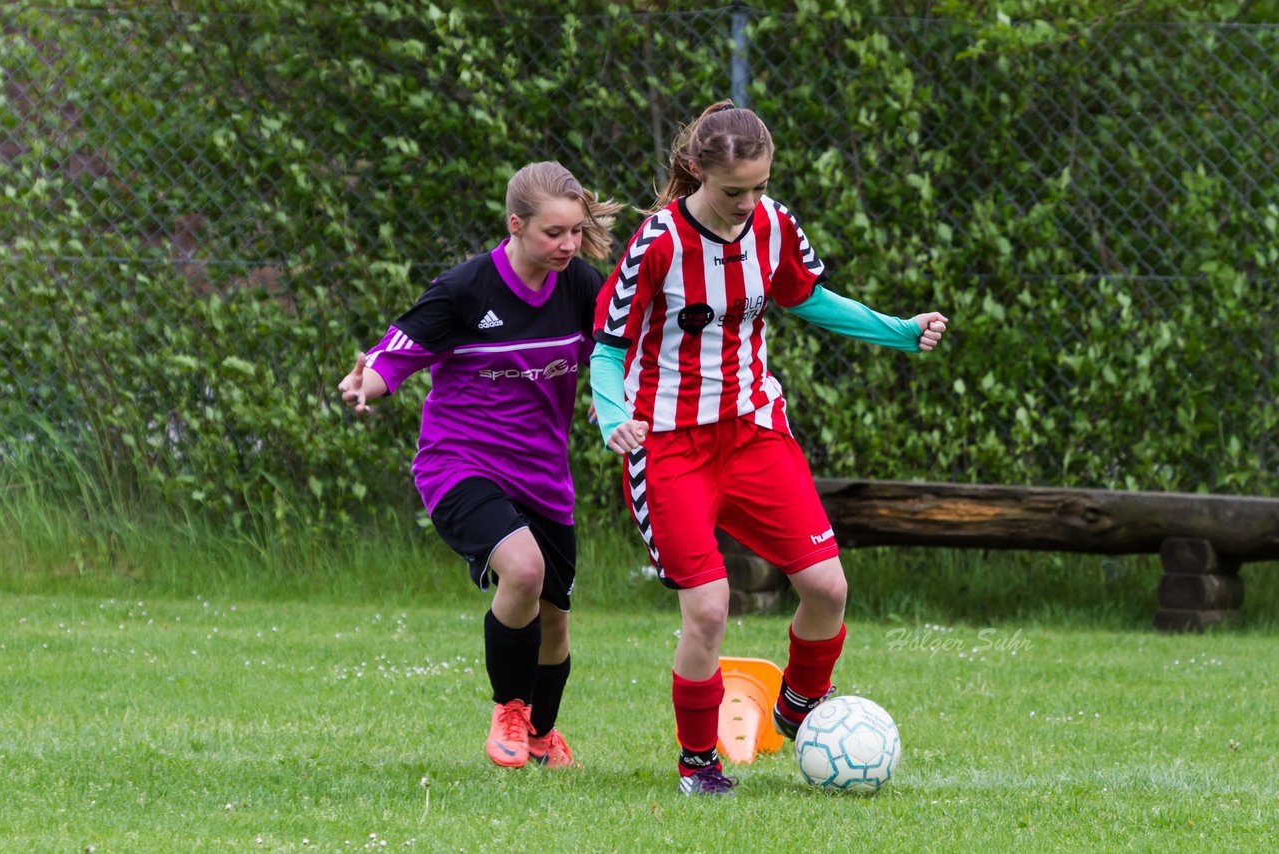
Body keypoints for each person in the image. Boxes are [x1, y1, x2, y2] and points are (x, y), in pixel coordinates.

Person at [589, 101, 948, 797]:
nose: (747, 204)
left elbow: (807, 297)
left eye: (758, 187)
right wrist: (613, 419)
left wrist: (900, 330)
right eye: (733, 192)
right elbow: (607, 349)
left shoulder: (774, 224)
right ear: (696, 171)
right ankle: (699, 763)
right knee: (710, 609)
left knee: (827, 587)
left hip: (755, 430)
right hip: (669, 446)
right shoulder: (657, 242)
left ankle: (800, 705)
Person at [339, 161, 622, 770]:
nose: (568, 245)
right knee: (523, 570)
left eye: (575, 231)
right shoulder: (465, 290)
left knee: (554, 622)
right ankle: (508, 711)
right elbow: (399, 352)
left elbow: (611, 356)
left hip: (545, 476)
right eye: (554, 233)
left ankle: (543, 736)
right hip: (459, 465)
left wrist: (611, 404)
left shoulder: (581, 286)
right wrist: (370, 385)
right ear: (516, 226)